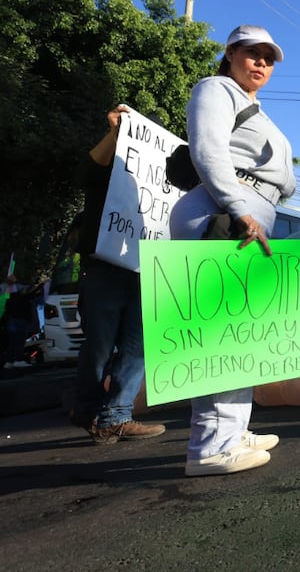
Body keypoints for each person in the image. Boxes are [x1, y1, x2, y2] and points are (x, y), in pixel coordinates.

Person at [169, 25, 296, 477]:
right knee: (219, 332)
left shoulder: (251, 105)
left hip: (245, 215)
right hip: (223, 213)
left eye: (269, 57)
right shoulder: (216, 87)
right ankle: (209, 446)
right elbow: (207, 149)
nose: (261, 62)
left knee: (240, 333)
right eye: (252, 53)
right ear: (230, 54)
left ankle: (232, 431)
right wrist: (240, 208)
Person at [69, 105, 166, 444]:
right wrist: (113, 134)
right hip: (104, 269)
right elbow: (84, 173)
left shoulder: (162, 179)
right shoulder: (108, 165)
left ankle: (115, 416)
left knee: (138, 346)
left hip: (146, 270)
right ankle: (87, 409)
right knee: (99, 345)